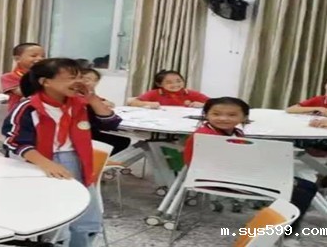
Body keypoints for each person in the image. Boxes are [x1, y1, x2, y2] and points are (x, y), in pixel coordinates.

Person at [3, 58, 113, 247]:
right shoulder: (28, 107)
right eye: (71, 77)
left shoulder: (81, 104)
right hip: (40, 162)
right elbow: (15, 141)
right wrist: (47, 164)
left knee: (87, 221)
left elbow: (110, 123)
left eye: (80, 77)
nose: (78, 82)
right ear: (45, 82)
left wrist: (92, 98)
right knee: (54, 220)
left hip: (78, 160)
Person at [182, 97, 319, 239]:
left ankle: (280, 230)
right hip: (215, 180)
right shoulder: (205, 135)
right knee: (302, 188)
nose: (223, 118)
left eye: (232, 115)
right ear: (206, 115)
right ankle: (281, 235)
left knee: (304, 186)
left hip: (233, 176)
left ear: (244, 117)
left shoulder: (235, 133)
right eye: (216, 114)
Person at [79, 68, 130, 156]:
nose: (91, 83)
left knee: (123, 139)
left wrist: (99, 101)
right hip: (85, 134)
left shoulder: (91, 95)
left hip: (91, 129)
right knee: (121, 141)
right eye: (87, 79)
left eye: (95, 80)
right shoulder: (79, 96)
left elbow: (110, 116)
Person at [127, 70, 209, 108]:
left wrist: (203, 105)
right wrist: (147, 103)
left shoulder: (190, 93)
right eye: (169, 82)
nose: (175, 85)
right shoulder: (154, 93)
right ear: (159, 84)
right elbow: (133, 102)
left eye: (178, 81)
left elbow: (214, 104)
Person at [0, 43, 45, 111]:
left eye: (43, 56)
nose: (40, 58)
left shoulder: (45, 75)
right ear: (17, 59)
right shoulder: (9, 77)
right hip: (21, 112)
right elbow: (24, 92)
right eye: (34, 56)